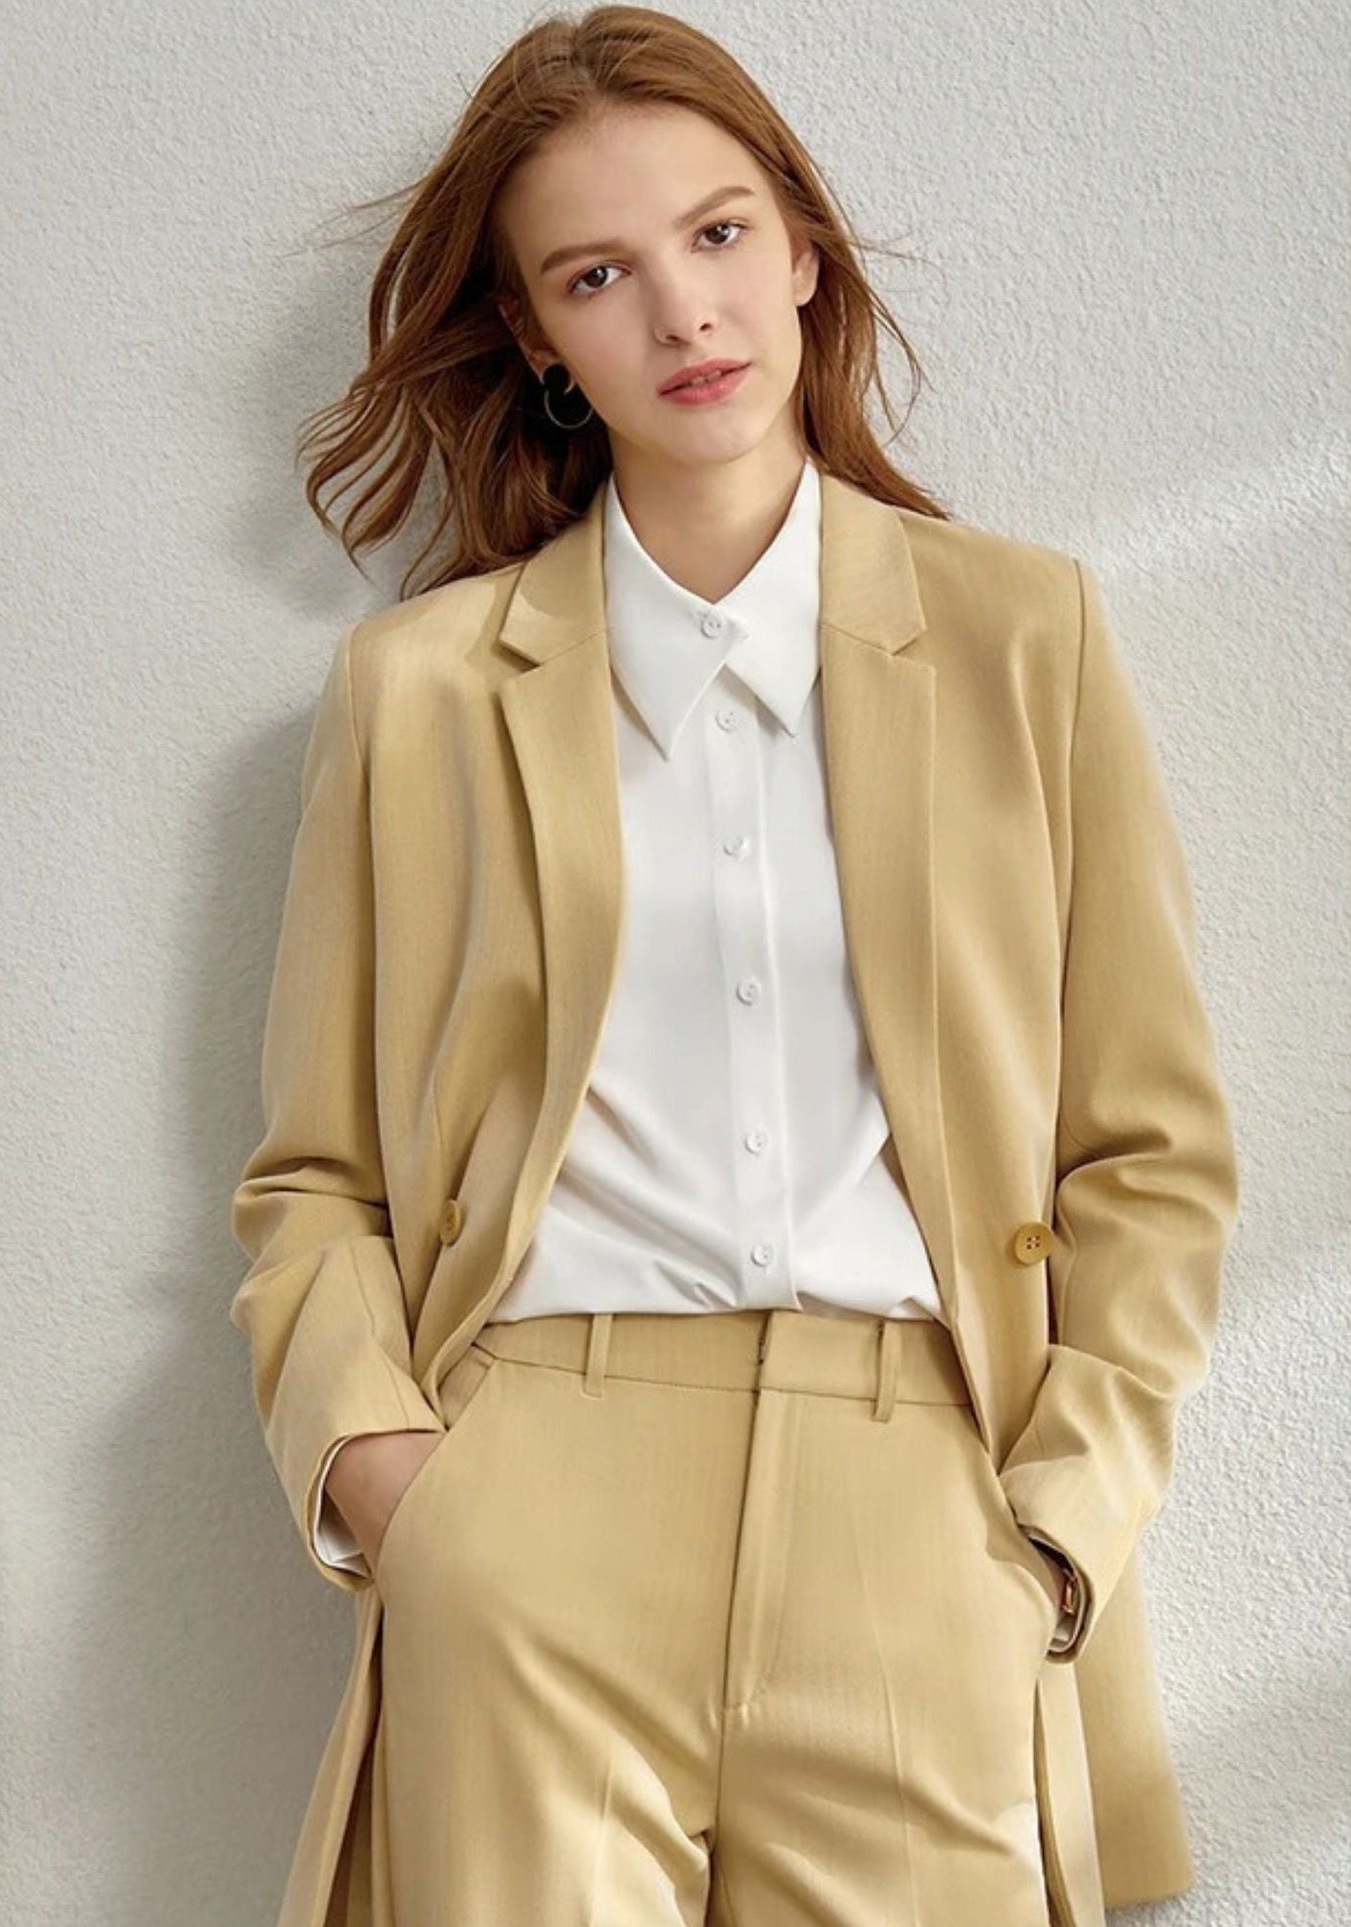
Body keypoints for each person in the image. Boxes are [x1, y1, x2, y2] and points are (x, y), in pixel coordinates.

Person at [228, 9, 1240, 1925]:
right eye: (595, 274)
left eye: (714, 235)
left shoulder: (1023, 638)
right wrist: (397, 1487)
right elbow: (312, 1175)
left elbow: (1148, 1151)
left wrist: (1051, 1527)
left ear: (799, 247)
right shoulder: (421, 693)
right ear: (534, 335)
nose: (680, 315)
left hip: (918, 1508)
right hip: (530, 1493)